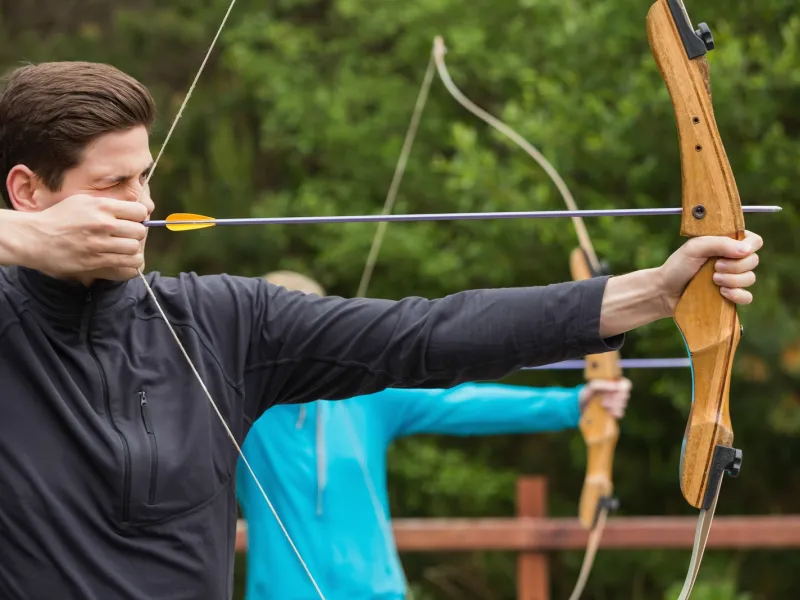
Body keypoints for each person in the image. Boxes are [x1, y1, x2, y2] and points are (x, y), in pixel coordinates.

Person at [0, 60, 761, 600]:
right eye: (112, 185)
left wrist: (654, 294)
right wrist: (24, 244)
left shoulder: (220, 320)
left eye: (145, 178)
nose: (142, 205)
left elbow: (425, 333)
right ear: (29, 192)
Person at [237, 271, 632, 600]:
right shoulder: (238, 411)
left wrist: (573, 404)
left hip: (377, 593)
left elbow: (461, 402)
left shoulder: (362, 398)